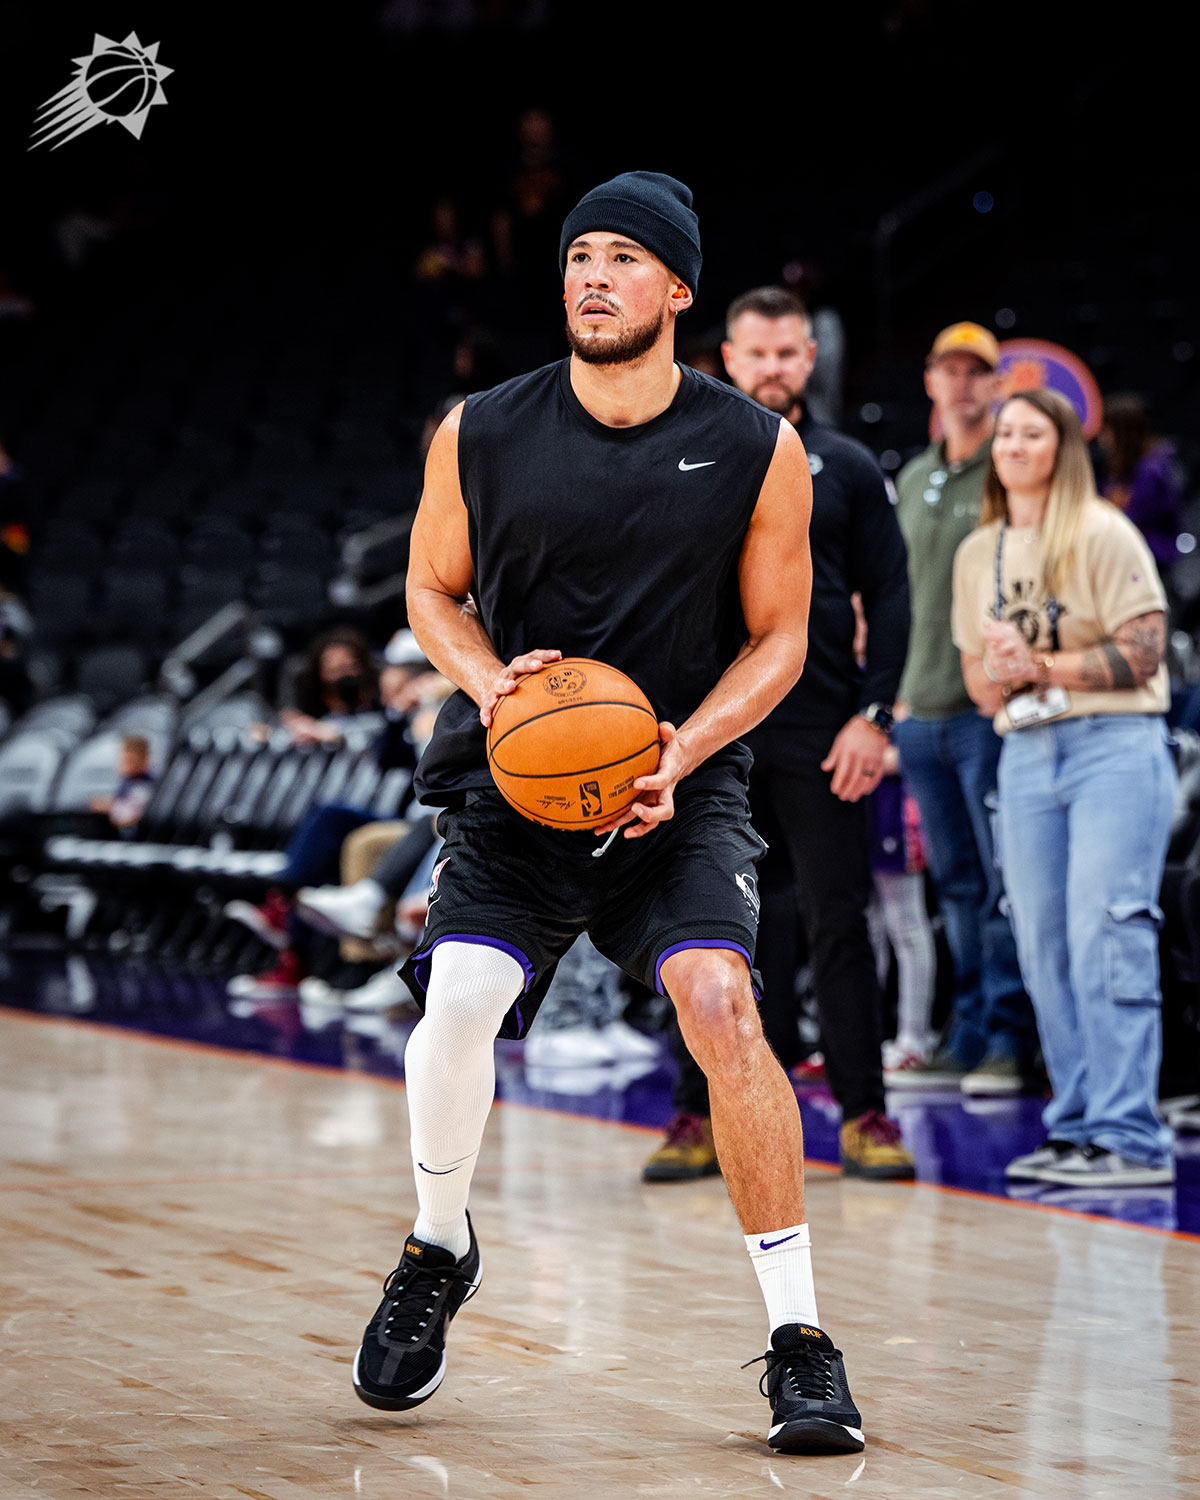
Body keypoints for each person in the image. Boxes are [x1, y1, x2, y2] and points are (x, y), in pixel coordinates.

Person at [352, 172, 865, 1456]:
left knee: (721, 1003)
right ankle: (438, 1243)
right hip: (514, 788)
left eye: (625, 257)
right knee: (456, 1002)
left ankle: (800, 1340)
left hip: (675, 793)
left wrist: (685, 748)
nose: (592, 274)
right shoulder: (480, 428)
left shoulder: (759, 445)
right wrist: (488, 684)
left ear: (678, 288)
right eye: (580, 254)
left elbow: (783, 638)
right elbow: (429, 586)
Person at [643, 285, 914, 1183]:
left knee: (840, 921)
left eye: (790, 352)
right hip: (711, 733)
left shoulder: (845, 463)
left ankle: (866, 1113)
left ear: (810, 359)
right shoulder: (684, 455)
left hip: (821, 730)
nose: (774, 368)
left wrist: (875, 718)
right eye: (758, 353)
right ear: (726, 355)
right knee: (697, 928)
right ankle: (695, 1113)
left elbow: (895, 596)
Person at [952, 387, 1175, 1187]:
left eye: (1030, 432)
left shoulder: (1102, 531)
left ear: (1062, 446)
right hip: (1024, 752)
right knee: (1042, 945)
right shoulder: (979, 551)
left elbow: (1146, 653)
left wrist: (1041, 665)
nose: (1012, 443)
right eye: (1004, 432)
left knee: (1106, 933)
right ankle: (1076, 1126)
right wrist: (1002, 676)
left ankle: (1131, 1137)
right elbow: (980, 684)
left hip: (1113, 744)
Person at [891, 323, 1039, 1093]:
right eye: (948, 369)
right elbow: (893, 595)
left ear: (995, 384)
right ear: (930, 381)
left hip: (986, 710)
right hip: (921, 711)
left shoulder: (1008, 468)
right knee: (952, 886)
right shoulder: (916, 475)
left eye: (975, 372)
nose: (961, 383)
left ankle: (1010, 1040)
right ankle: (969, 1029)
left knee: (998, 879)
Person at [1097, 393, 1182, 576]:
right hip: (1129, 559)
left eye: (1106, 429)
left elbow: (1129, 523)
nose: (1100, 435)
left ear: (1122, 431)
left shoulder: (1150, 472)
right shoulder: (1119, 469)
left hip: (1151, 562)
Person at [90, 733, 156, 836]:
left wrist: (110, 807)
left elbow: (130, 817)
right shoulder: (128, 782)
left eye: (131, 761)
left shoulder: (143, 785)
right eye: (123, 760)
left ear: (145, 760)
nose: (125, 765)